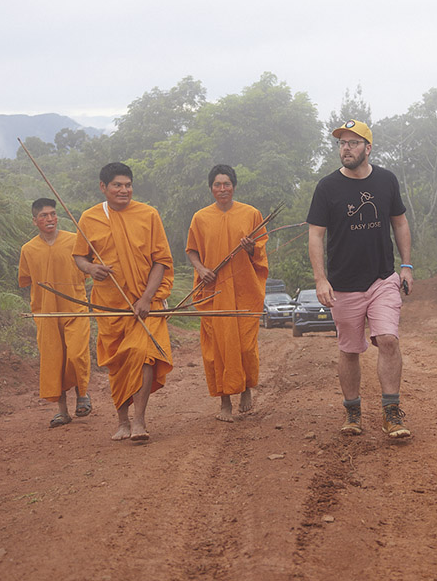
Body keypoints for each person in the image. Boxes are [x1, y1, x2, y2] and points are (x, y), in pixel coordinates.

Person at [307, 119, 414, 439]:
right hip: (343, 284)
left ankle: (391, 412)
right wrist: (320, 279)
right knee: (350, 349)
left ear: (368, 148)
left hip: (382, 278)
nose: (346, 148)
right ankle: (352, 412)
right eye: (342, 143)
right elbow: (315, 236)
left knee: (388, 339)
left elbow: (400, 224)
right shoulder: (327, 187)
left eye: (353, 143)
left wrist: (406, 265)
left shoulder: (386, 181)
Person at [72, 162, 174, 443]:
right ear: (103, 187)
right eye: (117, 185)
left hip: (145, 304)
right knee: (118, 363)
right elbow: (80, 257)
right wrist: (91, 269)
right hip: (110, 306)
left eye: (128, 185)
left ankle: (139, 421)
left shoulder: (148, 214)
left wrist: (146, 298)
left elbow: (161, 261)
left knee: (143, 354)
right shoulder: (89, 218)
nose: (124, 190)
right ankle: (122, 421)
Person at [185, 165, 268, 422]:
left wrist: (251, 247)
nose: (222, 189)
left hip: (244, 291)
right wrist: (202, 268)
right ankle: (224, 403)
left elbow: (261, 251)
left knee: (244, 346)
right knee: (218, 349)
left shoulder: (251, 214)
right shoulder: (200, 217)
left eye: (227, 184)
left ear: (234, 186)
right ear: (211, 188)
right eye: (217, 184)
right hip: (214, 291)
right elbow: (191, 250)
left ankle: (245, 389)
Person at [18, 198, 92, 428]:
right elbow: (26, 280)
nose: (49, 219)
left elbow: (88, 269)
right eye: (43, 216)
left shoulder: (74, 241)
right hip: (46, 313)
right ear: (34, 221)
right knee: (54, 360)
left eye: (52, 214)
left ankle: (83, 395)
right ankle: (62, 411)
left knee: (76, 354)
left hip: (75, 308)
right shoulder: (28, 249)